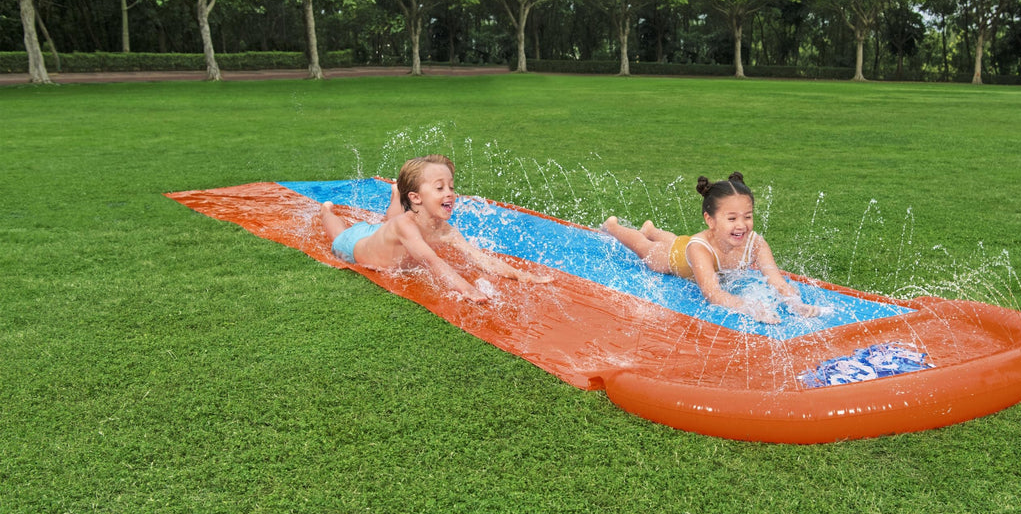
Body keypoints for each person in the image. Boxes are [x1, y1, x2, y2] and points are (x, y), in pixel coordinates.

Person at [320, 154, 551, 302]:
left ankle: (395, 193)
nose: (449, 193)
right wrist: (468, 290)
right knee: (340, 236)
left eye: (450, 186)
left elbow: (479, 258)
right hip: (355, 246)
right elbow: (433, 262)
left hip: (385, 232)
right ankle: (326, 211)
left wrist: (522, 276)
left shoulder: (444, 229)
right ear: (417, 197)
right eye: (439, 188)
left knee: (387, 224)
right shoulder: (405, 226)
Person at [602, 172, 822, 324]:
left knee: (677, 239)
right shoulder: (699, 248)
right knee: (646, 249)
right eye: (732, 218)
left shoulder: (756, 243)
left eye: (747, 216)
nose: (741, 225)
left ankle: (652, 229)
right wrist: (748, 306)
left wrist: (796, 304)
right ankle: (613, 227)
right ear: (710, 220)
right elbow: (713, 293)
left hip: (690, 244)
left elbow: (776, 280)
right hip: (677, 257)